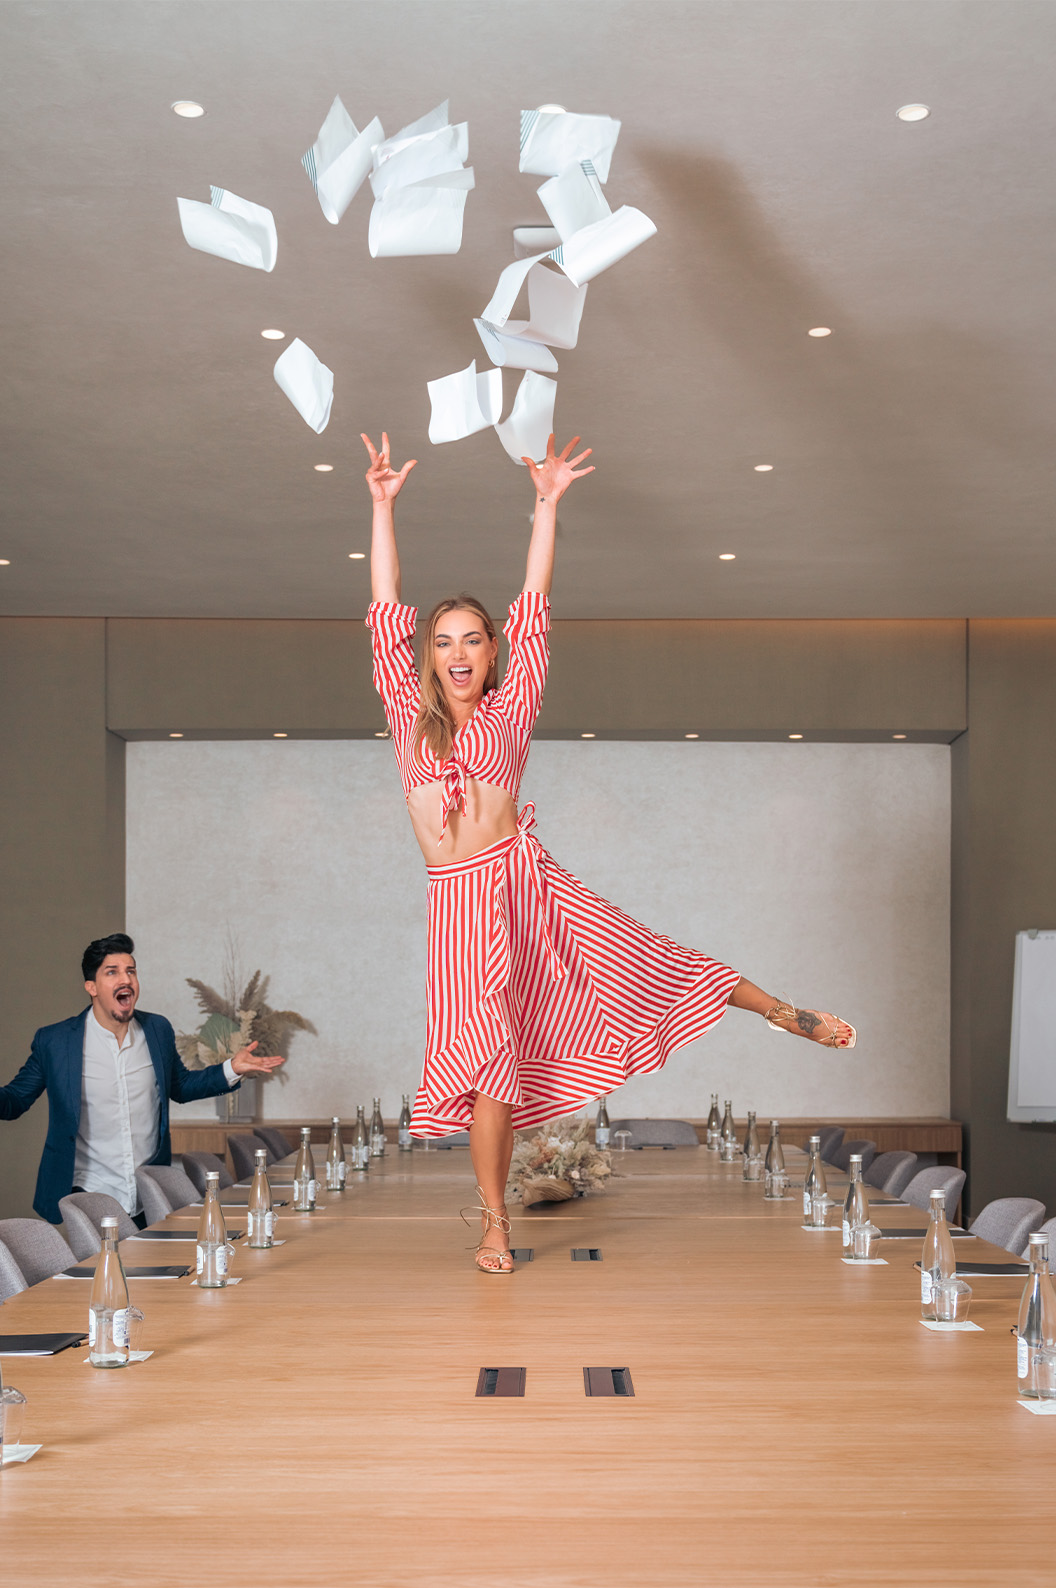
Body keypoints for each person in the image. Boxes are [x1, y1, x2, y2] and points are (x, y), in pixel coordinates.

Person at [361, 431, 855, 1273]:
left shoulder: (510, 711)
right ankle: (494, 1223)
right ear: (426, 656)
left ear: (492, 653)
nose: (456, 653)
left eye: (472, 639)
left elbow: (535, 602)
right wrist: (380, 506)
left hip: (522, 884)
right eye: (442, 641)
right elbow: (382, 606)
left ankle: (775, 1008)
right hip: (455, 904)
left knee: (641, 958)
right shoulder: (407, 712)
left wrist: (546, 505)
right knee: (487, 1066)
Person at [0, 933, 283, 1225]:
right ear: (92, 987)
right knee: (108, 1269)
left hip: (148, 1192)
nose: (126, 979)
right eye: (112, 972)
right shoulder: (56, 1042)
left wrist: (232, 1068)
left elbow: (181, 1086)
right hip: (89, 1193)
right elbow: (15, 1100)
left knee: (152, 1269)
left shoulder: (157, 1029)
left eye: (131, 971)